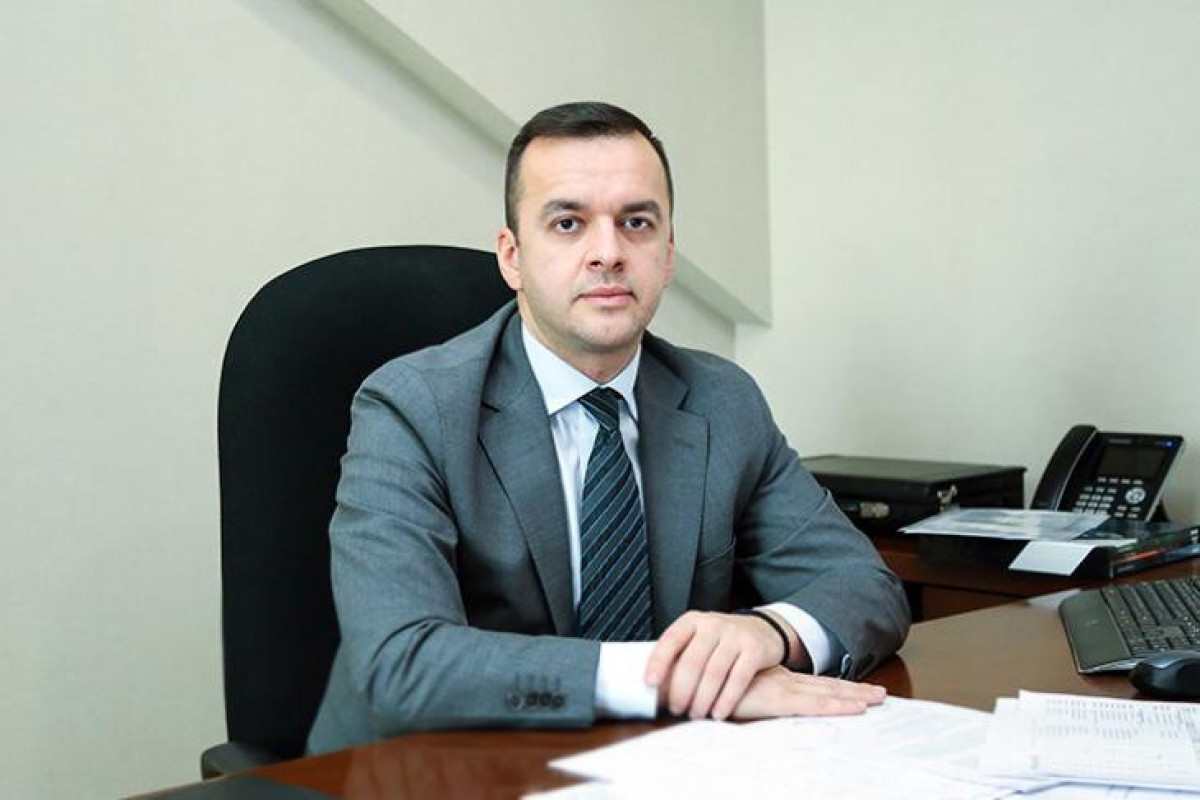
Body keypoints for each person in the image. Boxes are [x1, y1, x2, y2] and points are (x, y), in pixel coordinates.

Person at [307, 101, 909, 753]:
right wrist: (668, 680)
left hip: (659, 767)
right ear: (512, 257)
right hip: (437, 770)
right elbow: (402, 661)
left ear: (668, 254)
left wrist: (769, 633)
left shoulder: (722, 401)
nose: (608, 253)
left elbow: (865, 585)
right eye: (568, 223)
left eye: (636, 223)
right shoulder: (411, 407)